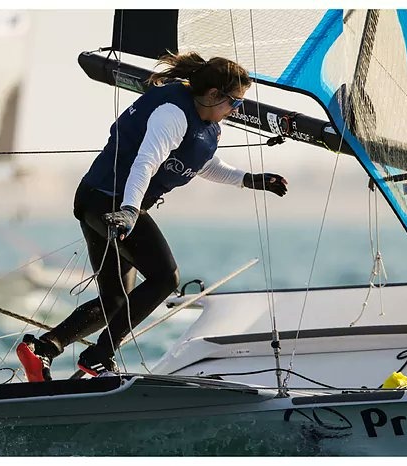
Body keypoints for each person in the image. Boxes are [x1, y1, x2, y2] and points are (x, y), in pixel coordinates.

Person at [16, 52, 288, 382]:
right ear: (213, 94)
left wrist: (248, 179)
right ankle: (100, 354)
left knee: (115, 300)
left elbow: (200, 163)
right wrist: (130, 211)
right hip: (111, 202)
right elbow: (146, 161)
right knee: (165, 277)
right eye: (235, 102)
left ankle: (44, 348)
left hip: (100, 201)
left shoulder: (208, 127)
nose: (236, 110)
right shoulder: (172, 114)